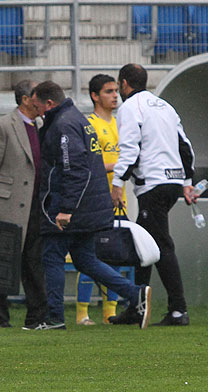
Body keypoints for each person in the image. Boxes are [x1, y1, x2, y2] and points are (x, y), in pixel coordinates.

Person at [31, 80, 151, 330]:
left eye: (38, 107)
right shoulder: (77, 120)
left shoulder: (63, 125)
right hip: (90, 206)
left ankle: (54, 318)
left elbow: (74, 169)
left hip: (73, 207)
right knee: (86, 260)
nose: (37, 112)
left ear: (49, 103)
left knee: (51, 257)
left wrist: (66, 209)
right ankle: (135, 294)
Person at [109, 64, 195, 326]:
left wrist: (117, 183)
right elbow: (185, 146)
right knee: (143, 245)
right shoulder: (164, 106)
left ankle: (178, 310)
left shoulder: (129, 108)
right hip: (172, 182)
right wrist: (187, 182)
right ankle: (137, 306)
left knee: (159, 246)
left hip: (153, 185)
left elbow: (130, 149)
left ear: (124, 84)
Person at [0, 80, 47, 328]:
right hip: (8, 205)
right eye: (39, 96)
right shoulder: (2, 126)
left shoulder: (41, 125)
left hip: (36, 205)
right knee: (2, 261)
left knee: (34, 262)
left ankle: (37, 316)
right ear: (26, 99)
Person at [74, 74, 125, 326]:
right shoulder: (89, 125)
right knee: (90, 258)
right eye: (108, 91)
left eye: (116, 90)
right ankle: (82, 312)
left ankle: (110, 313)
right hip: (95, 203)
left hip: (120, 200)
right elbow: (86, 164)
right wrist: (118, 165)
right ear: (95, 96)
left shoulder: (120, 123)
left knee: (115, 256)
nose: (115, 95)